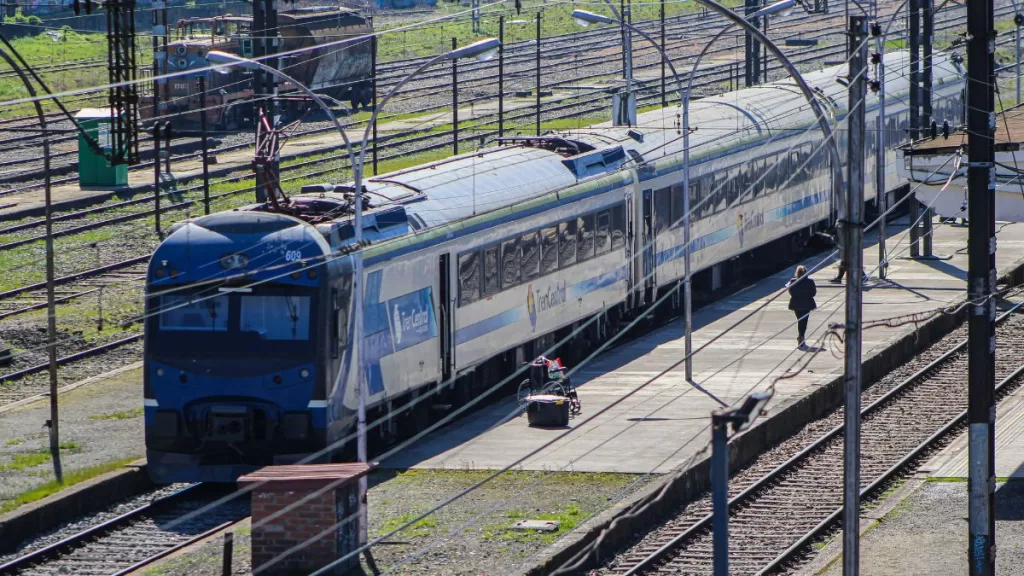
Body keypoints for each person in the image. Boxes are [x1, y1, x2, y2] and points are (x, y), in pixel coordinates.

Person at [787, 265, 817, 351]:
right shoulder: (810, 282)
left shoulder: (793, 281)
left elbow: (791, 292)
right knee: (803, 322)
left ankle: (801, 337)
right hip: (807, 304)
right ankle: (801, 338)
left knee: (800, 320)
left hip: (796, 304)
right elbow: (813, 293)